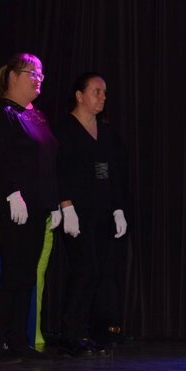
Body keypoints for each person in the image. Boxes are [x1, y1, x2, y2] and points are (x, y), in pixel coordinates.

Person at [0, 53, 62, 362]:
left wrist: (54, 203)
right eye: (33, 73)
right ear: (14, 77)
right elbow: (1, 158)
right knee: (14, 273)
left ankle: (18, 340)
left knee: (27, 275)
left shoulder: (37, 116)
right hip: (14, 206)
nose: (38, 78)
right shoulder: (0, 114)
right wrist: (13, 193)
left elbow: (49, 161)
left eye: (41, 73)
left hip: (38, 207)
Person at [55, 72, 127, 356]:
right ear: (79, 95)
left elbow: (113, 173)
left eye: (104, 92)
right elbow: (59, 169)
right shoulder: (65, 129)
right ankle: (69, 334)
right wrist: (66, 205)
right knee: (84, 269)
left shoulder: (105, 132)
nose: (102, 97)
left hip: (101, 212)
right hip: (76, 211)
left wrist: (118, 208)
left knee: (97, 272)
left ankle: (84, 332)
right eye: (96, 91)